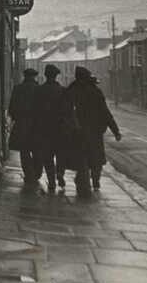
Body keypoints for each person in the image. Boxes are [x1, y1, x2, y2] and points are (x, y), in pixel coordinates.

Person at [67, 66, 122, 195]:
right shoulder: (95, 91)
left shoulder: (72, 90)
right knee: (96, 156)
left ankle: (84, 184)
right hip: (95, 132)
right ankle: (95, 178)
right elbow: (105, 113)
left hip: (78, 131)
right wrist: (115, 130)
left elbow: (66, 110)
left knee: (82, 158)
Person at [34, 64, 72, 193]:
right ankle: (60, 173)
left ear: (45, 75)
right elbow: (68, 111)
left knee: (48, 156)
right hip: (60, 128)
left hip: (44, 129)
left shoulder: (39, 91)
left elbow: (35, 111)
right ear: (56, 76)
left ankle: (51, 181)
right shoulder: (63, 91)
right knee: (61, 154)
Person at [8, 68, 42, 185]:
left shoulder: (18, 88)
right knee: (37, 150)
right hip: (36, 126)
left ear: (25, 76)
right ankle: (37, 173)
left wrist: (17, 118)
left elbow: (12, 107)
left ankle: (29, 175)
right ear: (34, 77)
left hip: (22, 125)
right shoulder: (39, 89)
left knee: (24, 151)